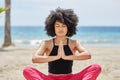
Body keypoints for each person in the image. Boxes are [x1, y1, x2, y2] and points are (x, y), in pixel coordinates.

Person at [23, 8, 101, 80]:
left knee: (96, 67)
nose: (60, 28)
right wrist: (56, 57)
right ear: (53, 28)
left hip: (70, 78)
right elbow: (35, 59)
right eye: (57, 26)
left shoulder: (74, 43)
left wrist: (66, 57)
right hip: (51, 78)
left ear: (68, 28)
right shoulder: (46, 43)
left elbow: (87, 55)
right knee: (27, 70)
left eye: (64, 26)